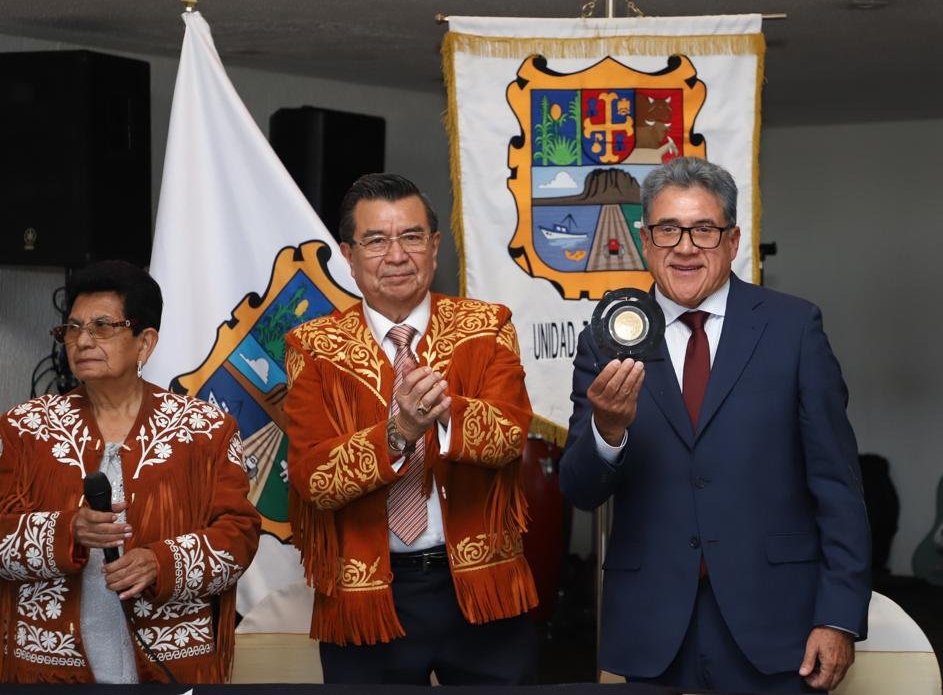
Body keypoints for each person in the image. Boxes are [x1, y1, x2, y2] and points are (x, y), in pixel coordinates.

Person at [560, 156, 872, 693]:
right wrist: (608, 431)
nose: (685, 247)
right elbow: (580, 490)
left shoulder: (793, 328)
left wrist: (838, 616)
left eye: (703, 229)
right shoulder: (608, 336)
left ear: (732, 241)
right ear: (645, 240)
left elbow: (838, 485)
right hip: (653, 627)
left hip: (777, 625)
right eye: (668, 229)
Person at [285, 173, 537, 685]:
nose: (397, 256)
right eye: (376, 241)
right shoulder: (313, 347)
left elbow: (509, 437)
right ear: (348, 255)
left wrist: (443, 411)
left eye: (412, 237)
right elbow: (314, 479)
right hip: (368, 594)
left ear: (435, 246)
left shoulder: (487, 325)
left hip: (481, 584)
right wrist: (398, 432)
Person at [0, 260, 260, 684]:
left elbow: (239, 536)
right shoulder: (24, 428)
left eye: (102, 326)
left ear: (145, 342)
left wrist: (162, 562)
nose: (83, 340)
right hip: (47, 666)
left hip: (170, 661)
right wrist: (67, 530)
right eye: (72, 328)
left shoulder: (205, 429)